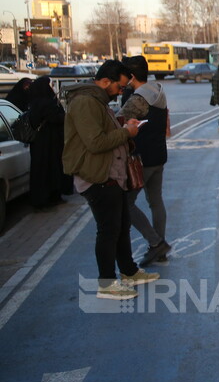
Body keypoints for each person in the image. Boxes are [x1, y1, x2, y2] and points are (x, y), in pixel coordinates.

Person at [62, 60, 159, 300]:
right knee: (108, 230)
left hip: (112, 174)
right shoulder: (85, 102)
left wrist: (125, 128)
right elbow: (95, 143)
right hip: (98, 175)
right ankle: (106, 283)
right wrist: (126, 132)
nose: (121, 92)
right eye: (119, 87)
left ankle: (128, 271)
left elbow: (103, 134)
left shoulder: (98, 101)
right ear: (105, 82)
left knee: (121, 225)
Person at [120, 55, 172, 267]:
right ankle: (159, 249)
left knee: (126, 204)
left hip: (142, 158)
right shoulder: (157, 89)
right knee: (156, 201)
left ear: (131, 76)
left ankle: (155, 242)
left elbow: (119, 122)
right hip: (159, 154)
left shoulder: (137, 99)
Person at [26, 76, 72, 209]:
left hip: (40, 144)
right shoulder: (46, 103)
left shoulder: (34, 102)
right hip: (49, 143)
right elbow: (55, 118)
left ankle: (46, 198)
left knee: (42, 171)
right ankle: (48, 198)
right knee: (51, 170)